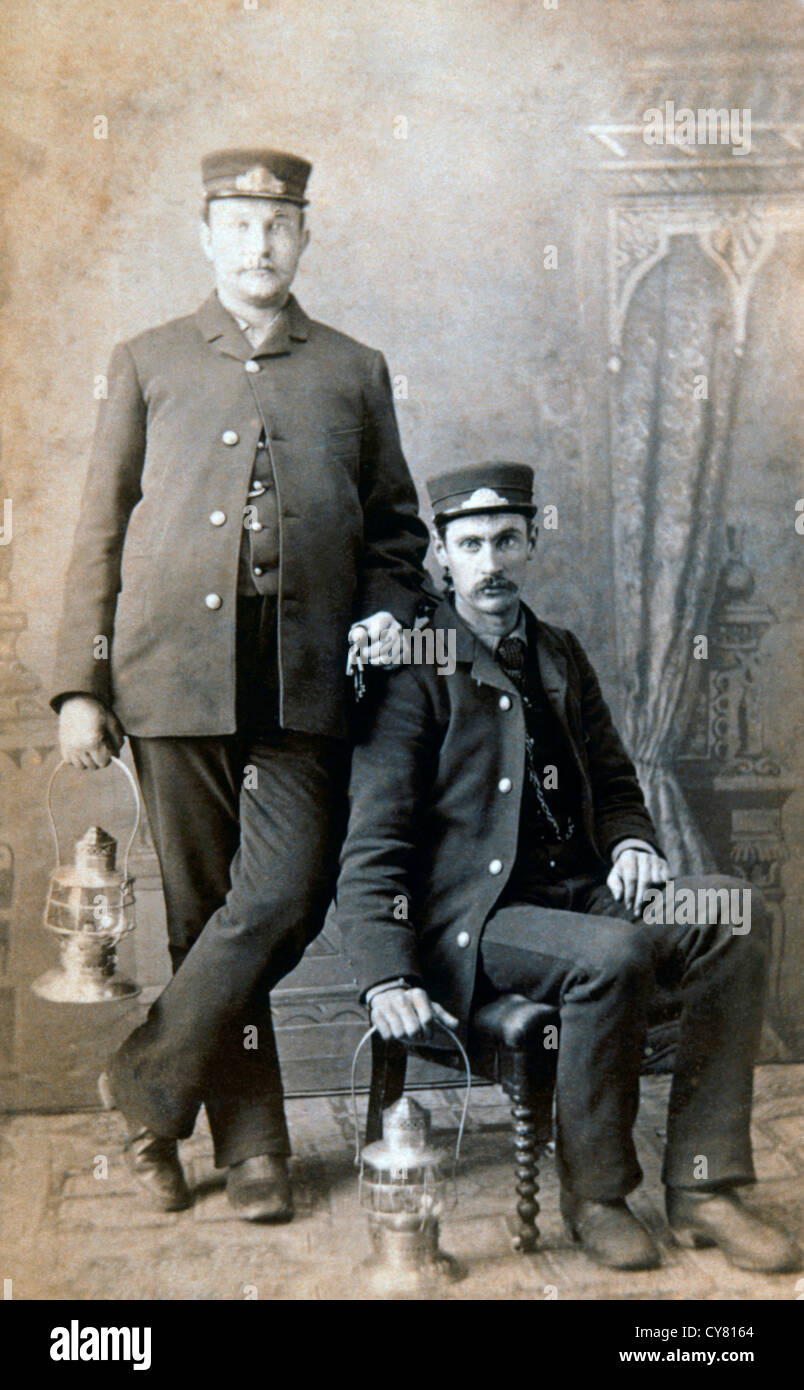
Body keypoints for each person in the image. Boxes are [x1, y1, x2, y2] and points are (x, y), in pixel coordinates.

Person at [51, 147, 428, 1221]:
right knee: (204, 908)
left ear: (304, 239)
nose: (259, 244)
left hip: (305, 680)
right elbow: (96, 529)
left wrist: (383, 612)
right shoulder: (149, 359)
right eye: (238, 225)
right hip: (170, 677)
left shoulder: (354, 368)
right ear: (207, 237)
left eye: (279, 226)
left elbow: (398, 534)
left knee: (283, 893)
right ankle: (254, 1146)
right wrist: (81, 679)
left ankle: (146, 1085)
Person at [335, 460, 800, 1273]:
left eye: (507, 540)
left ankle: (703, 1188)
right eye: (470, 544)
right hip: (478, 929)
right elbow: (374, 846)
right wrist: (384, 977)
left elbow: (617, 783)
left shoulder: (559, 653)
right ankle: (597, 1195)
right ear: (440, 556)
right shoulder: (415, 667)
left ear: (533, 542)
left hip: (584, 900)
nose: (491, 563)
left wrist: (632, 844)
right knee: (613, 954)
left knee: (733, 911)